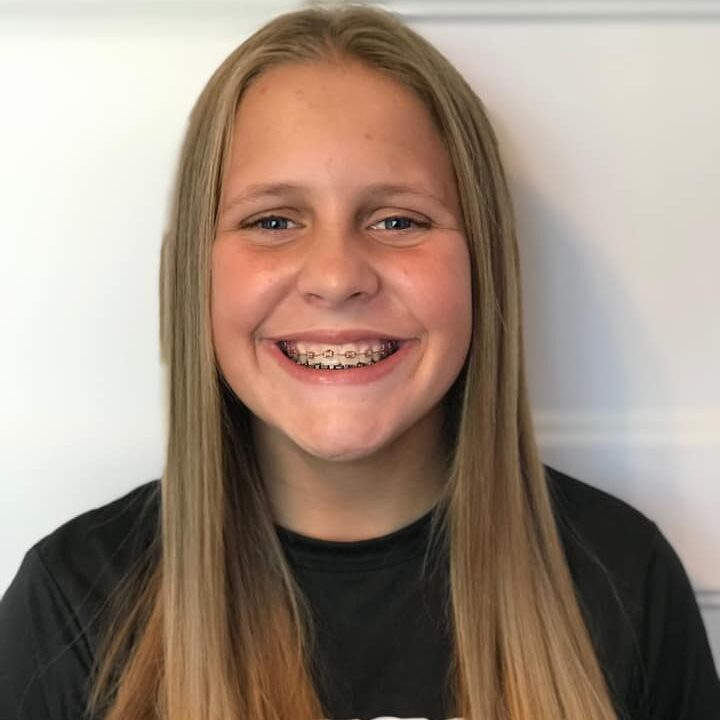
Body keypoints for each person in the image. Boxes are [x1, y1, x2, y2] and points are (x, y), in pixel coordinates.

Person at [1, 4, 718, 720]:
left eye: (398, 220)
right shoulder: (71, 605)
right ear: (196, 272)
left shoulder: (624, 579)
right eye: (273, 220)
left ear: (483, 265)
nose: (337, 277)